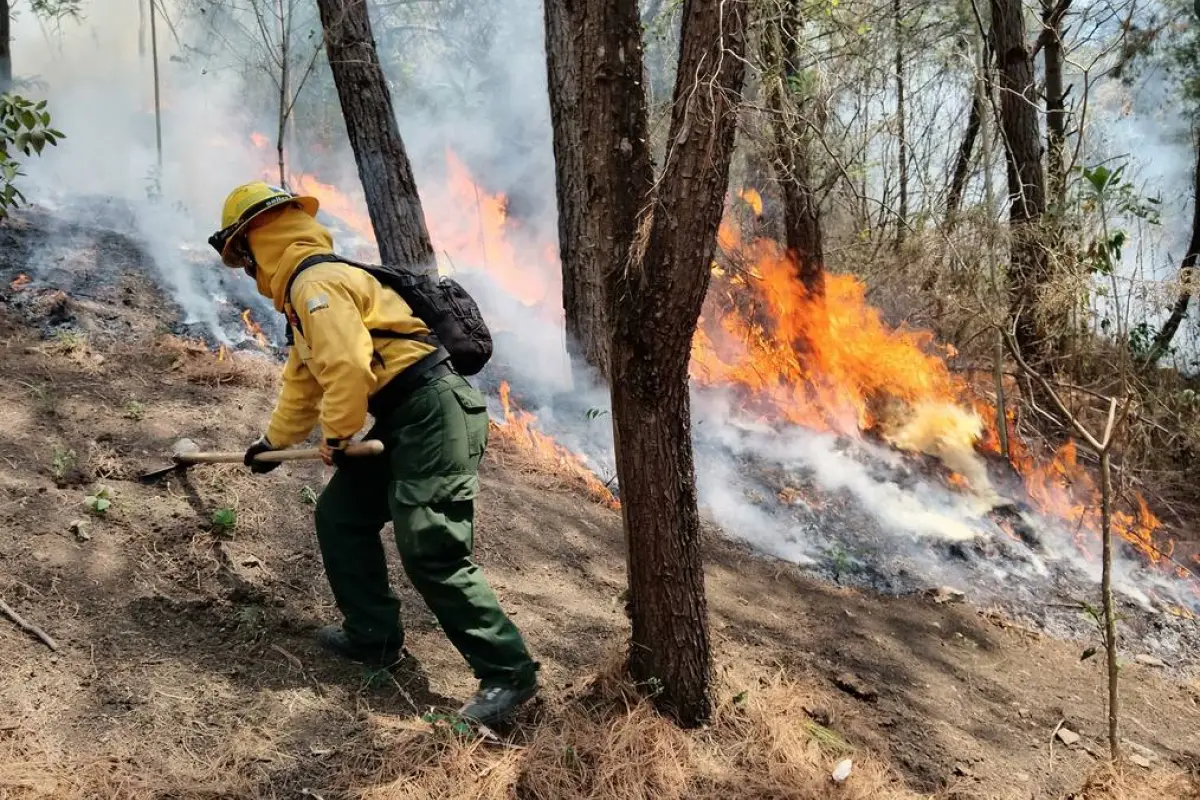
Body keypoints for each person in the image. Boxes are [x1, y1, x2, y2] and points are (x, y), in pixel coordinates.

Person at [207, 182, 539, 726]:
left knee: (431, 547)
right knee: (341, 515)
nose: (245, 270)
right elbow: (304, 380)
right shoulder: (307, 291)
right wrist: (273, 445)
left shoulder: (316, 284)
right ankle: (372, 636)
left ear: (255, 243)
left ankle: (508, 672)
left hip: (433, 413)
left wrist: (338, 437)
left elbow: (347, 367)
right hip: (405, 416)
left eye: (243, 257)